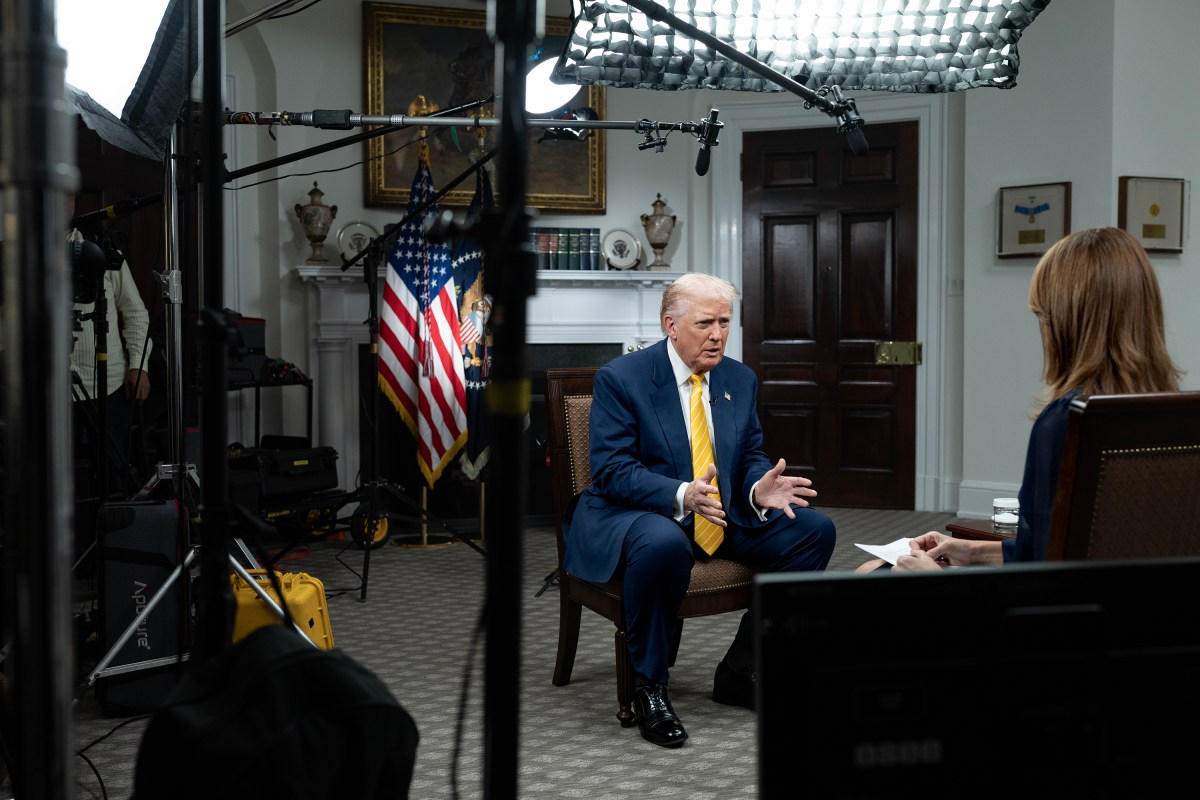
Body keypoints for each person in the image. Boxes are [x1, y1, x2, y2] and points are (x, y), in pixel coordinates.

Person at [564, 273, 836, 747]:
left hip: (717, 511)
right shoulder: (622, 378)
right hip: (636, 513)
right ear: (670, 324)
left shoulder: (738, 378)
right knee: (663, 539)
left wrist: (756, 489)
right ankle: (651, 686)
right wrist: (679, 494)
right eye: (705, 323)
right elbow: (611, 470)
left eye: (725, 323)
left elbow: (749, 453)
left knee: (813, 529)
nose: (717, 335)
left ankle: (741, 668)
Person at [886, 227, 1182, 572]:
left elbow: (1043, 576)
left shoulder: (1067, 420)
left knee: (877, 572)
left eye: (1042, 316)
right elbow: (1067, 549)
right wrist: (973, 551)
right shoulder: (1174, 413)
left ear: (1066, 323)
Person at [68, 194, 152, 497]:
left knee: (112, 476)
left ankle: (112, 540)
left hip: (109, 386)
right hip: (47, 390)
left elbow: (135, 312)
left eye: (68, 196)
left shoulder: (102, 248)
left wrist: (138, 366)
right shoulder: (22, 249)